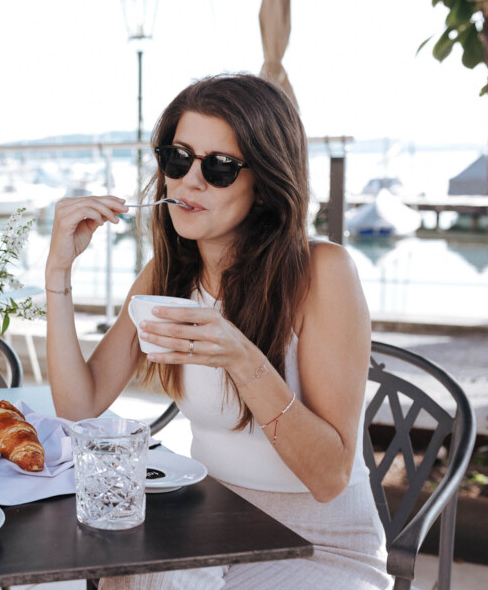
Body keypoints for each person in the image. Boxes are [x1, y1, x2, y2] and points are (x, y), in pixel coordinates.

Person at [44, 74, 391, 589]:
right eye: (178, 159)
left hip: (320, 546)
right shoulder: (168, 274)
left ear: (266, 181)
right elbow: (80, 406)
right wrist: (58, 275)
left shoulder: (323, 272)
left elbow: (329, 477)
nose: (189, 182)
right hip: (208, 528)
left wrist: (243, 360)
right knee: (102, 573)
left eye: (220, 168)